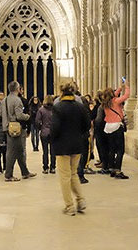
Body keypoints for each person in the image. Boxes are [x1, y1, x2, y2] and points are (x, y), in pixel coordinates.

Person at [50, 82, 91, 216]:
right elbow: (86, 125)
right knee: (73, 174)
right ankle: (81, 200)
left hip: (62, 146)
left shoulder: (58, 107)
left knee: (65, 177)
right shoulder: (80, 106)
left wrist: (52, 139)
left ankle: (69, 206)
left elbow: (55, 128)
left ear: (61, 92)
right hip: (77, 145)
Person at [1, 81, 36, 182]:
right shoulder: (17, 100)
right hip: (15, 128)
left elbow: (3, 115)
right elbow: (19, 115)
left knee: (20, 150)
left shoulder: (5, 100)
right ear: (17, 89)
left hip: (7, 127)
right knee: (12, 152)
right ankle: (8, 175)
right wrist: (28, 116)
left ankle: (25, 172)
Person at [102, 80, 130, 179]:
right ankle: (118, 170)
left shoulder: (105, 103)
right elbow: (126, 96)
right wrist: (126, 87)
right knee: (120, 150)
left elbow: (114, 95)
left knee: (112, 149)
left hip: (108, 127)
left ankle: (112, 168)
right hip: (117, 126)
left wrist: (119, 88)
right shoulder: (115, 101)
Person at [36, 95, 56, 174]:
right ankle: (53, 167)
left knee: (45, 151)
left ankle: (45, 167)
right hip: (53, 132)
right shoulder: (55, 110)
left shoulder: (41, 110)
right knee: (53, 151)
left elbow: (37, 121)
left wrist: (41, 128)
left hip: (44, 132)